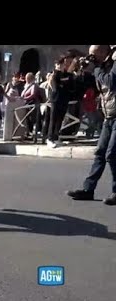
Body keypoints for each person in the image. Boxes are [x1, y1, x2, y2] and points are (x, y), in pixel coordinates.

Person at [67, 45, 116, 206]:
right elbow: (91, 86)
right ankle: (88, 189)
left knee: (112, 154)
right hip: (109, 115)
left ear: (103, 52)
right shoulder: (102, 66)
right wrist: (80, 70)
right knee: (100, 152)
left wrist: (95, 69)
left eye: (94, 55)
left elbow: (111, 81)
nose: (92, 58)